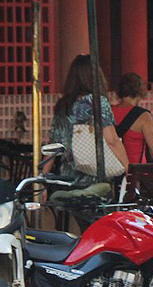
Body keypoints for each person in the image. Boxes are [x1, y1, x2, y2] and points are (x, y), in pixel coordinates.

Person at [44, 54, 129, 187]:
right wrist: (128, 168)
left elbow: (54, 145)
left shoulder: (63, 105)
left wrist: (41, 179)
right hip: (94, 179)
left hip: (67, 178)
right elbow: (112, 140)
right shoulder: (97, 102)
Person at [111, 72, 153, 164]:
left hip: (112, 170)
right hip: (135, 171)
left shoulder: (108, 112)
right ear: (139, 91)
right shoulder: (143, 116)